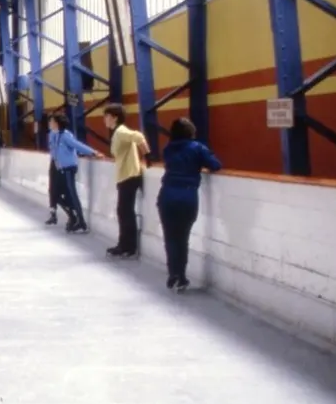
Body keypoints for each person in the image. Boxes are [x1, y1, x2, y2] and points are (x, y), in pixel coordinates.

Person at [158, 118, 222, 292]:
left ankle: (173, 273)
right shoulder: (197, 148)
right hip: (187, 196)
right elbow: (216, 165)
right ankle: (182, 276)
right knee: (182, 238)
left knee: (170, 237)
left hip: (166, 195)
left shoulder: (168, 149)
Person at [103, 103, 149, 258]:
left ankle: (128, 246)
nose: (105, 120)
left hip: (129, 176)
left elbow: (138, 136)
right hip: (125, 175)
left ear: (114, 117)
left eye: (107, 116)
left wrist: (147, 154)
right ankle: (125, 245)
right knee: (124, 211)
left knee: (125, 211)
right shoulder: (117, 133)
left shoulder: (121, 131)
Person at [48, 113, 95, 233]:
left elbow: (77, 145)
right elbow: (53, 151)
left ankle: (81, 221)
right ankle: (73, 215)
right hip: (59, 169)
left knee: (72, 194)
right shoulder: (53, 135)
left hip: (69, 168)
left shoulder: (66, 135)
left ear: (57, 123)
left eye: (52, 121)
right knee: (55, 194)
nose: (50, 123)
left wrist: (92, 152)